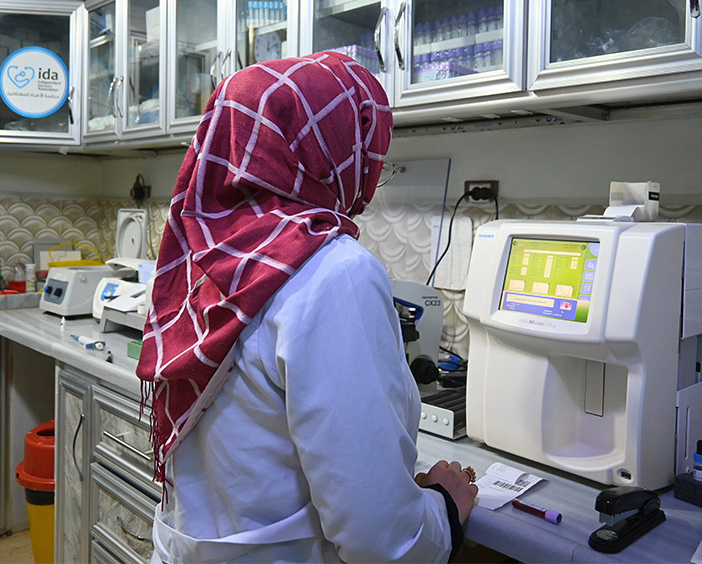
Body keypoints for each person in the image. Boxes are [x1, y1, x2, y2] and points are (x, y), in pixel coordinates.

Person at [136, 51, 478, 562]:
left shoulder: (198, 254)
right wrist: (444, 508)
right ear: (331, 152)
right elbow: (382, 538)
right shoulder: (333, 270)